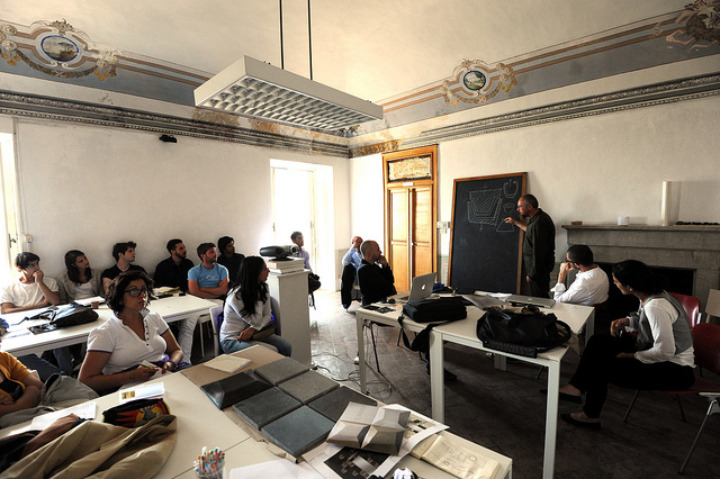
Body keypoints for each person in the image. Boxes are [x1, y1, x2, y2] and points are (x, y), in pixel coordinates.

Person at [558, 260, 695, 429]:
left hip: (675, 370)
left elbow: (665, 351)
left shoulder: (656, 306)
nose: (615, 284)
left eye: (616, 282)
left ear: (630, 286)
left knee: (600, 365)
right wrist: (628, 321)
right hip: (653, 350)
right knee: (598, 341)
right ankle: (575, 387)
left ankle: (590, 416)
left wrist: (633, 356)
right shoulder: (651, 293)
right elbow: (650, 324)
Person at [79, 271, 184, 393]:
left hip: (164, 376)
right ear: (119, 298)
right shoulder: (105, 332)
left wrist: (172, 363)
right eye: (134, 291)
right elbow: (86, 380)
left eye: (144, 290)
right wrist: (131, 376)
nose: (142, 295)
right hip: (128, 388)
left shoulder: (154, 318)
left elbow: (176, 350)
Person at [0, 253, 71, 376]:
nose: (37, 268)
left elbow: (55, 302)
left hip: (47, 321)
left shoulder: (49, 281)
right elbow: (6, 311)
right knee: (19, 353)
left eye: (37, 264)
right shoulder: (9, 287)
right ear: (20, 268)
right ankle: (59, 376)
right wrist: (40, 305)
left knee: (60, 341)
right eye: (32, 265)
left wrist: (39, 282)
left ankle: (68, 373)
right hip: (22, 325)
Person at [220, 256, 292, 357]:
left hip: (254, 333)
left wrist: (253, 329)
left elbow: (267, 315)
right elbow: (255, 321)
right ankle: (268, 372)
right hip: (233, 339)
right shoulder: (236, 296)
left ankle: (285, 371)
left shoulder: (263, 287)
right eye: (264, 269)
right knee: (272, 352)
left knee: (286, 346)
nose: (268, 271)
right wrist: (258, 300)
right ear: (254, 273)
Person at [504, 194, 555, 298]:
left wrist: (532, 274)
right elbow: (531, 231)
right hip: (539, 270)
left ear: (529, 207)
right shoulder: (538, 218)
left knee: (539, 299)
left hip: (538, 271)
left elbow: (538, 251)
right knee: (539, 297)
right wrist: (515, 222)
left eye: (519, 207)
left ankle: (543, 314)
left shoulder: (539, 223)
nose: (518, 210)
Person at [0, 351, 43, 419]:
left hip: (32, 419)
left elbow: (39, 388)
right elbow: (35, 391)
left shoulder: (4, 358)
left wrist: (15, 408)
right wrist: (29, 399)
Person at [357, 240, 397, 305]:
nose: (380, 252)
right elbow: (387, 287)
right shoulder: (364, 269)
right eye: (378, 250)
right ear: (369, 253)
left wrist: (385, 265)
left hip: (382, 302)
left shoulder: (374, 266)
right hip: (374, 305)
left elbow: (391, 280)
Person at [340, 235, 363, 309]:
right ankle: (346, 301)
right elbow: (344, 262)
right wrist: (353, 248)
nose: (359, 244)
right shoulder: (352, 254)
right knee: (347, 268)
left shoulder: (367, 253)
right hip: (355, 276)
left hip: (365, 274)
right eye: (357, 242)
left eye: (360, 242)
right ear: (352, 243)